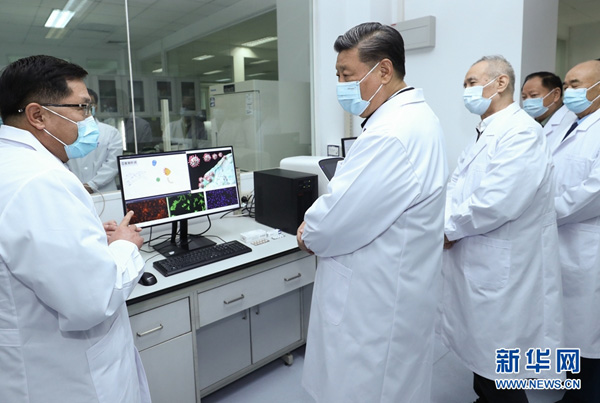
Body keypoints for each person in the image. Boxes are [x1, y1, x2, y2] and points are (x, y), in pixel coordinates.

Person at [296, 22, 448, 402]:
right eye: (338, 76)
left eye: (347, 75)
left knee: (367, 388)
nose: (341, 85)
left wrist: (307, 231)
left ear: (383, 70)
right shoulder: (415, 118)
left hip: (373, 306)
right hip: (397, 290)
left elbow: (335, 222)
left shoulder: (391, 133)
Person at [0, 55, 150, 402]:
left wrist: (89, 237)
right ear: (37, 115)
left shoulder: (14, 165)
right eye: (82, 108)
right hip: (68, 379)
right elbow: (92, 300)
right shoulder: (41, 181)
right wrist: (125, 245)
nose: (89, 120)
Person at [441, 55, 563, 403]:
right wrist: (446, 222)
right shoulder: (486, 132)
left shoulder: (521, 132)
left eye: (472, 82)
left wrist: (448, 229)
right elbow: (457, 186)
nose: (466, 90)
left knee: (499, 363)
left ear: (500, 83)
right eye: (465, 84)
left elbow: (497, 201)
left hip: (502, 268)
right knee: (482, 354)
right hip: (478, 259)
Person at [553, 59, 600, 403]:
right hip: (559, 244)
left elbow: (593, 192)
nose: (568, 91)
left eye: (575, 85)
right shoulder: (568, 124)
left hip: (587, 249)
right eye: (566, 85)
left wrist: (540, 213)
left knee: (588, 336)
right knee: (568, 333)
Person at [67, 88, 123, 193]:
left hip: (105, 192)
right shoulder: (65, 132)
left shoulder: (111, 133)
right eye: (81, 104)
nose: (85, 107)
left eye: (90, 104)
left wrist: (92, 185)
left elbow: (113, 165)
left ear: (96, 107)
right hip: (74, 191)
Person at [521, 71, 577, 152]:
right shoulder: (525, 123)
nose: (528, 101)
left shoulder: (573, 121)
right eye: (524, 97)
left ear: (556, 94)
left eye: (534, 95)